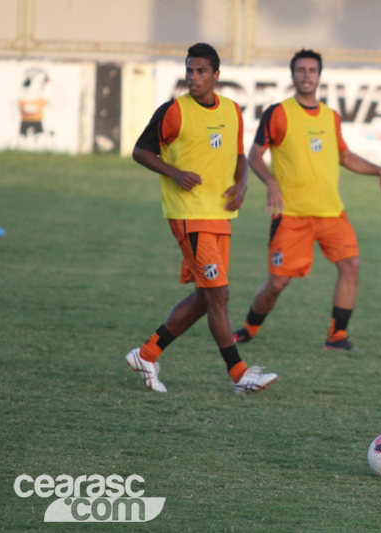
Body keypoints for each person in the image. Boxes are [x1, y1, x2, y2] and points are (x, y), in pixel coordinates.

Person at [125, 42, 277, 394]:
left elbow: (239, 154)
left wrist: (242, 182)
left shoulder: (232, 110)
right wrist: (174, 173)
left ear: (216, 75)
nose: (193, 78)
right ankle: (239, 374)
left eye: (201, 71)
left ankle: (147, 354)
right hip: (188, 216)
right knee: (218, 295)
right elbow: (140, 151)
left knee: (204, 297)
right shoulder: (174, 112)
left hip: (219, 217)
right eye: (189, 70)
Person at [233, 48, 381, 351]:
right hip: (291, 215)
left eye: (312, 70)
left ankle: (337, 336)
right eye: (301, 70)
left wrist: (380, 171)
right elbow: (255, 155)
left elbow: (345, 156)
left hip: (331, 213)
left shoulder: (330, 117)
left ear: (319, 76)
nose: (306, 75)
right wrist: (271, 183)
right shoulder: (278, 113)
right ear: (293, 75)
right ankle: (248, 328)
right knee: (277, 284)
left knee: (351, 265)